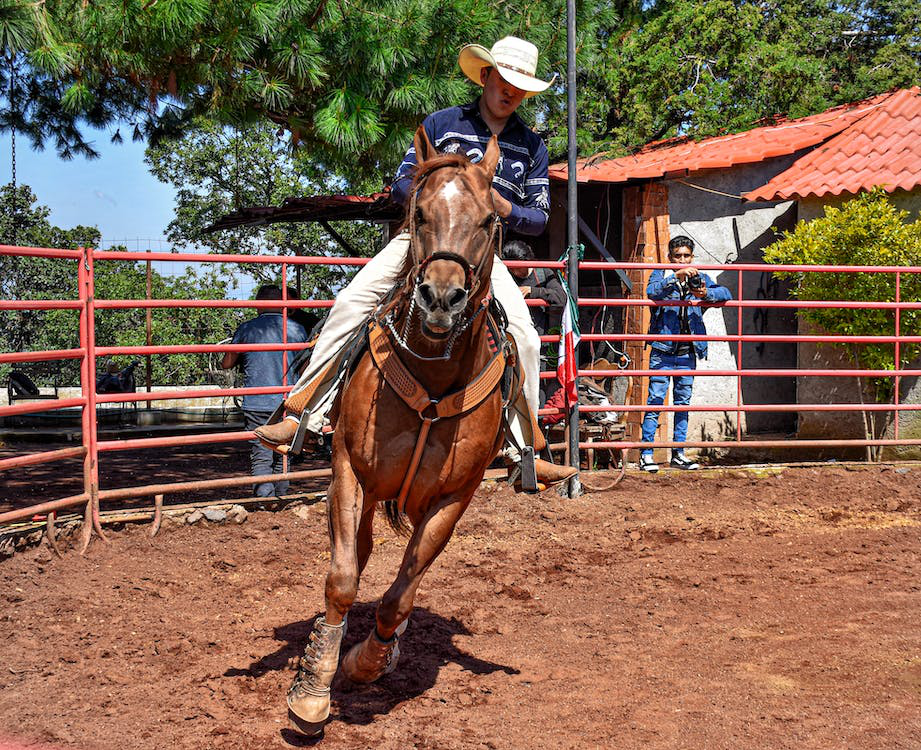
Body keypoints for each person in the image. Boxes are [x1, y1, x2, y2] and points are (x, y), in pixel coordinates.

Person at [255, 36, 577, 488]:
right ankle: (304, 412)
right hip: (418, 241)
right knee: (350, 301)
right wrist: (438, 193)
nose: (510, 92)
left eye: (521, 88)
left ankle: (524, 450)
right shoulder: (441, 124)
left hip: (481, 256)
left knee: (524, 335)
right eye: (505, 80)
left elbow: (539, 219)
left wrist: (500, 206)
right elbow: (400, 186)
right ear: (486, 76)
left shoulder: (532, 146)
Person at [640, 236, 732, 473]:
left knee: (682, 403)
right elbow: (651, 292)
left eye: (686, 256)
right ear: (670, 258)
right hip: (662, 351)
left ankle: (678, 454)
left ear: (692, 257)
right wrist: (675, 276)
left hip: (688, 352)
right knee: (655, 402)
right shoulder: (662, 274)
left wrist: (704, 294)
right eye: (678, 256)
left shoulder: (699, 277)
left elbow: (725, 293)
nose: (683, 260)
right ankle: (646, 454)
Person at [222, 285, 308, 497]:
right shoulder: (297, 329)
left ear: (258, 303)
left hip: (257, 400)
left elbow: (227, 363)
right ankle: (281, 496)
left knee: (261, 452)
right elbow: (307, 367)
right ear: (282, 303)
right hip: (289, 401)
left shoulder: (248, 328)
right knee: (283, 451)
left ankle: (264, 499)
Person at [502, 239, 566, 406]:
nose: (515, 271)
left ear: (528, 259)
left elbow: (561, 298)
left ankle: (538, 426)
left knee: (538, 385)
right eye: (511, 268)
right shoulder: (505, 276)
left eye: (518, 266)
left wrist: (534, 292)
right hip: (512, 339)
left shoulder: (543, 272)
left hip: (539, 340)